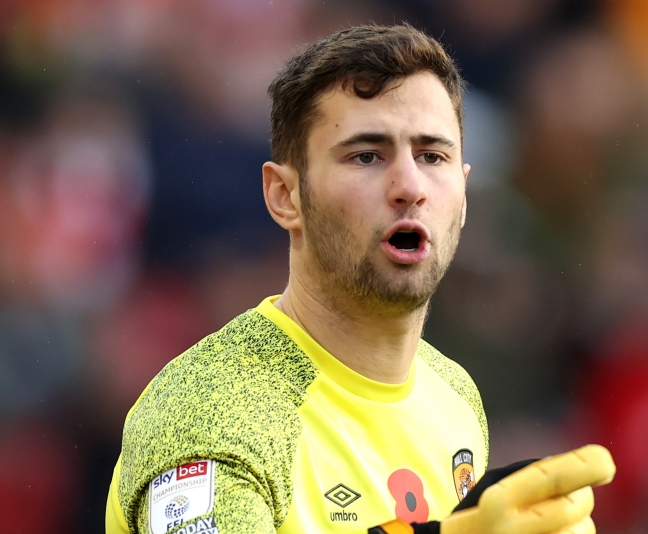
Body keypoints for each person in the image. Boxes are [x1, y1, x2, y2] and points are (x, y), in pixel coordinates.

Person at [105, 24, 615, 534]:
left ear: (463, 196)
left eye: (432, 156)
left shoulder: (454, 394)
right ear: (285, 196)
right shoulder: (213, 410)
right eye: (366, 156)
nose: (409, 186)